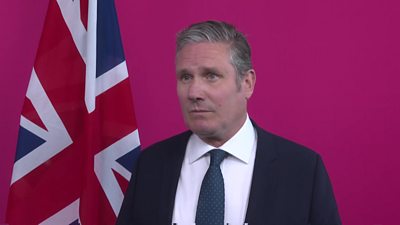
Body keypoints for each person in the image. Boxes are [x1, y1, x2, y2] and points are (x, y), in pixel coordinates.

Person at [116, 20, 341, 225]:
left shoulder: (302, 169)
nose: (194, 92)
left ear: (247, 83)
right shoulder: (151, 164)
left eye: (211, 75)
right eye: (186, 77)